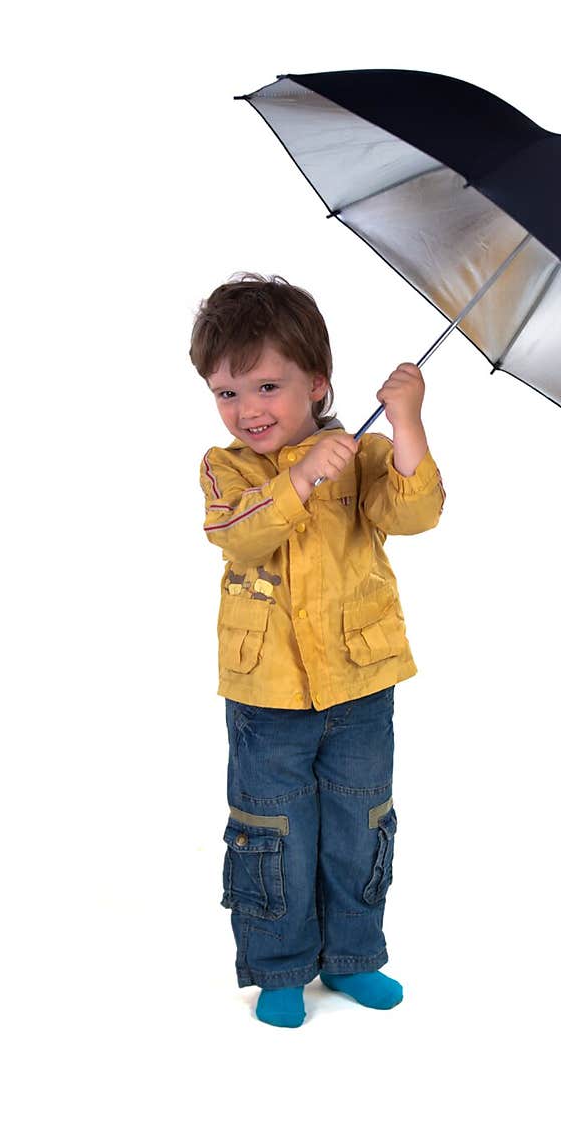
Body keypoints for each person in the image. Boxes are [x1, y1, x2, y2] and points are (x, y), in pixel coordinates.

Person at [189, 272, 446, 1027]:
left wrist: (405, 422)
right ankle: (278, 966)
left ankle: (354, 957)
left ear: (318, 384)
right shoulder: (224, 468)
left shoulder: (359, 455)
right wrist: (299, 478)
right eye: (227, 393)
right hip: (267, 698)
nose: (248, 410)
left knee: (359, 822)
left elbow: (417, 511)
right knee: (274, 830)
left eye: (267, 386)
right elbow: (238, 535)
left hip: (361, 684)